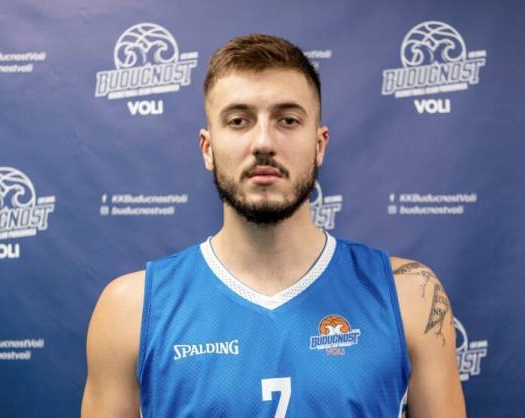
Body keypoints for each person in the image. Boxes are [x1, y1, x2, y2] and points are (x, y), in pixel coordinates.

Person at [81, 34, 466, 417]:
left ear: (319, 145)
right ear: (208, 148)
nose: (263, 142)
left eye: (288, 120)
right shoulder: (132, 310)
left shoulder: (409, 295)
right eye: (238, 121)